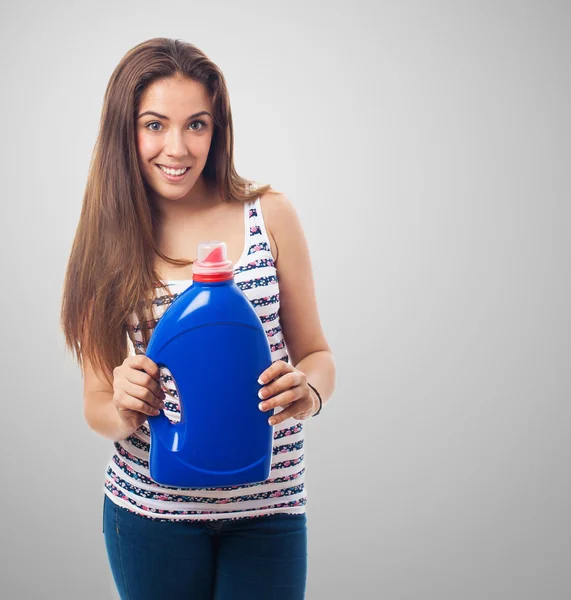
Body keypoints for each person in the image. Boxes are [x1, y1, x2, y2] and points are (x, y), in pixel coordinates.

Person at [60, 37, 336, 600]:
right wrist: (121, 404)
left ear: (219, 129)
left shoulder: (269, 216)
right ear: (125, 130)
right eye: (155, 125)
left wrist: (308, 392)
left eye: (197, 125)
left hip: (270, 508)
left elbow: (318, 354)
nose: (178, 148)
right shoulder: (107, 241)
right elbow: (95, 404)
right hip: (149, 515)